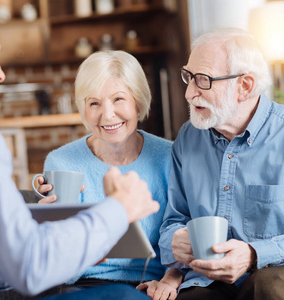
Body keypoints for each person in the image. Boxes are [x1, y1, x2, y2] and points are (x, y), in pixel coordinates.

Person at [0, 1, 160, 299]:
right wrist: (118, 209)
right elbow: (31, 267)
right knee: (124, 298)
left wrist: (73, 246)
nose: (1, 74)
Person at [158, 27, 284, 300]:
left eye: (203, 80)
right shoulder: (188, 139)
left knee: (266, 289)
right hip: (214, 279)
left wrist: (253, 254)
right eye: (189, 77)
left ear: (244, 86)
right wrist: (175, 242)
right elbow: (174, 220)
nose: (189, 93)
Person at [35, 50, 180, 300]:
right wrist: (51, 227)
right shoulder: (61, 162)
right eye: (94, 103)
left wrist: (171, 279)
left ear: (138, 100)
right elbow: (61, 269)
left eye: (118, 99)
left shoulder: (170, 157)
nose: (108, 114)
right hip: (85, 285)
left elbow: (184, 229)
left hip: (153, 286)